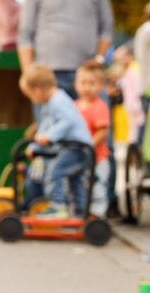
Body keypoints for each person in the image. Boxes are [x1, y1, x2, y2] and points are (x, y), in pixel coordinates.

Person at [17, 0, 114, 99]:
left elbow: (107, 26)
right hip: (47, 75)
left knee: (95, 117)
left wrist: (99, 59)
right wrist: (28, 73)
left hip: (88, 75)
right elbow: (25, 33)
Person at [20, 64, 95, 219]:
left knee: (54, 172)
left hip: (77, 148)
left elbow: (69, 120)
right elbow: (44, 128)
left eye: (31, 97)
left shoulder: (58, 100)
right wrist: (35, 145)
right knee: (75, 183)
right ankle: (81, 213)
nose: (33, 100)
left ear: (37, 91)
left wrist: (50, 136)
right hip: (73, 148)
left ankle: (58, 207)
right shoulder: (49, 104)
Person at [73, 63, 110, 217]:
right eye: (83, 83)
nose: (87, 87)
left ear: (100, 86)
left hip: (98, 158)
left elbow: (103, 131)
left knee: (98, 188)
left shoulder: (99, 106)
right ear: (76, 85)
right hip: (80, 158)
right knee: (80, 187)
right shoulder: (74, 106)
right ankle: (80, 213)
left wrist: (89, 145)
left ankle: (97, 216)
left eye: (92, 83)